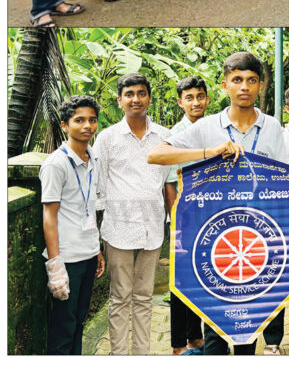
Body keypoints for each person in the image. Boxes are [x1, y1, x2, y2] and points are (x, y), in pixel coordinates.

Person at [148, 52, 287, 355]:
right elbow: (156, 154)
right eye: (237, 80)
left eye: (251, 80)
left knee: (249, 327)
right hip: (214, 238)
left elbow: (281, 180)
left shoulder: (273, 127)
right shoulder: (207, 126)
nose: (244, 87)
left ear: (260, 85)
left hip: (256, 240)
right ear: (225, 85)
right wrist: (209, 152)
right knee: (215, 328)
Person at [94, 73, 170, 355]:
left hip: (152, 228)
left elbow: (167, 180)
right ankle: (119, 356)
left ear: (149, 97)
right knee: (120, 297)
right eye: (129, 94)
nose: (135, 99)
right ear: (120, 100)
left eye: (141, 93)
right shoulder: (107, 138)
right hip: (118, 229)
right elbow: (99, 187)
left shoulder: (165, 137)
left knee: (144, 297)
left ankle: (141, 354)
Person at [40, 95, 105, 354]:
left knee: (79, 321)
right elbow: (49, 216)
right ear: (65, 125)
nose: (87, 126)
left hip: (88, 255)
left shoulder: (92, 159)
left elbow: (87, 208)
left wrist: (97, 249)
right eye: (79, 120)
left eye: (92, 120)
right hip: (67, 260)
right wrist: (55, 266)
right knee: (63, 327)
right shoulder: (56, 164)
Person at [164, 76, 209, 355]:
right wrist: (177, 223)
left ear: (207, 99)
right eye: (189, 97)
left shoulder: (215, 130)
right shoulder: (175, 137)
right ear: (180, 101)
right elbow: (170, 183)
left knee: (202, 277)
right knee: (180, 281)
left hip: (211, 217)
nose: (195, 102)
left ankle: (197, 337)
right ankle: (179, 344)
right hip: (185, 220)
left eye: (200, 96)